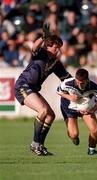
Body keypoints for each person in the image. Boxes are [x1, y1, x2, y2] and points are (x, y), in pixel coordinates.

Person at [14, 23, 71, 156]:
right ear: (47, 45)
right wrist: (43, 37)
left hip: (33, 89)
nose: (57, 49)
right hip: (23, 85)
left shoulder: (56, 63)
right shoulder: (40, 53)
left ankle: (40, 146)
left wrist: (82, 83)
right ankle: (35, 144)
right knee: (43, 110)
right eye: (55, 46)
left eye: (59, 47)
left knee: (50, 115)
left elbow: (67, 79)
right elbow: (34, 47)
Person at [57, 68, 97, 155]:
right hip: (70, 106)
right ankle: (69, 128)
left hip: (86, 108)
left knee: (94, 130)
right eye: (77, 82)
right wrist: (70, 97)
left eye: (82, 83)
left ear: (87, 80)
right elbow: (59, 91)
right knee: (74, 134)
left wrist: (92, 110)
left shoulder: (94, 87)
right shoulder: (68, 82)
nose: (79, 84)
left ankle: (92, 150)